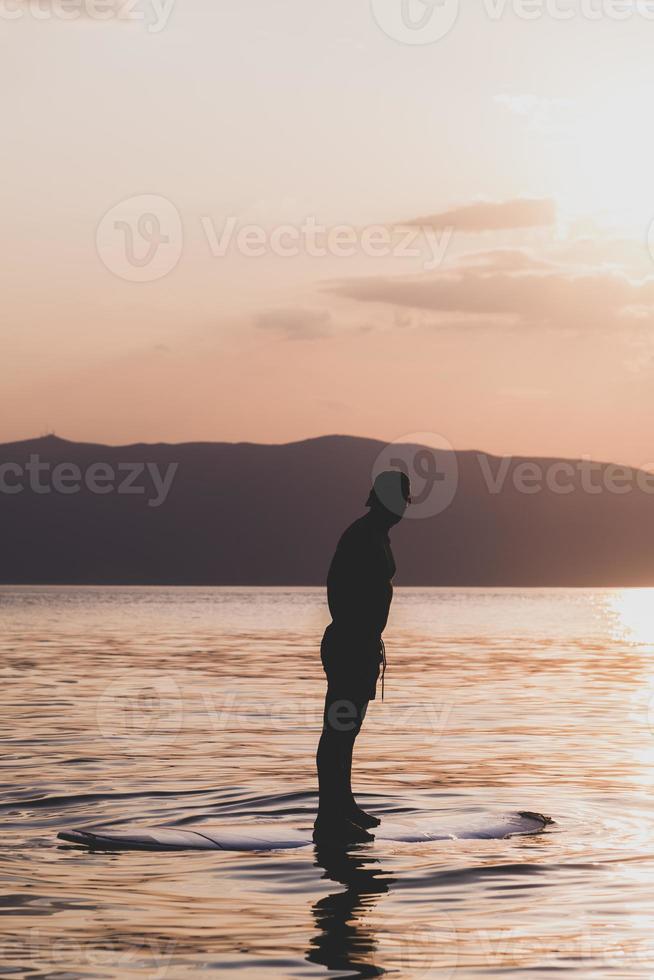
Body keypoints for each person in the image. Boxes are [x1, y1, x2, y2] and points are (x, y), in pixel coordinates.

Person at [314, 468, 411, 844]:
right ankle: (328, 817)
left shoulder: (377, 535)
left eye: (406, 500)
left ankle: (344, 805)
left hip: (363, 646)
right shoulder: (361, 535)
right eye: (398, 498)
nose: (402, 506)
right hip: (348, 646)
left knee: (348, 730)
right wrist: (356, 631)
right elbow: (337, 588)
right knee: (338, 730)